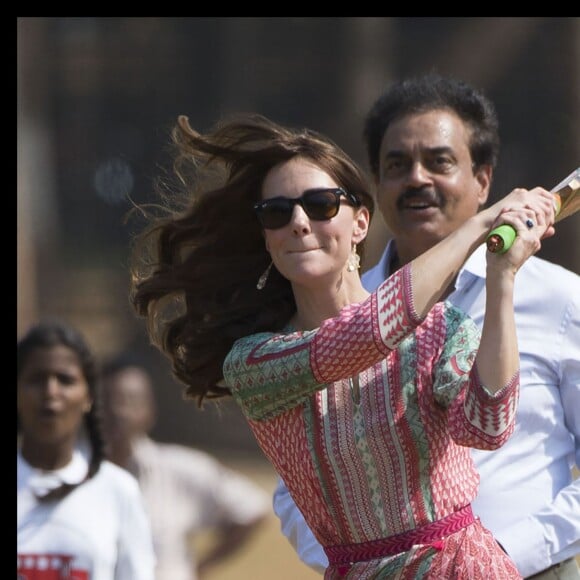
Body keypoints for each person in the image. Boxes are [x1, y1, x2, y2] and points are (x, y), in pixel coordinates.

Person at [128, 110, 555, 578]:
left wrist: (502, 277)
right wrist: (477, 225)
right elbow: (365, 334)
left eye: (321, 204)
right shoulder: (254, 362)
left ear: (360, 223)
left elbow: (487, 427)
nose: (298, 221)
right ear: (266, 238)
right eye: (276, 212)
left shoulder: (437, 327)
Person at [272, 73, 580, 578]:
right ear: (375, 187)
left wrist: (503, 554)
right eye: (397, 165)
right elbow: (293, 486)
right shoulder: (339, 319)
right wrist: (370, 562)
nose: (416, 178)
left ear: (483, 180)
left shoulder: (560, 299)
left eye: (439, 161)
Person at [100, 352, 270, 580]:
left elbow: (252, 509)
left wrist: (201, 567)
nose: (118, 412)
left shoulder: (179, 469)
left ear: (149, 412)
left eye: (129, 401)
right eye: (107, 402)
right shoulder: (72, 475)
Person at [17, 320, 156, 580]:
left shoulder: (118, 490)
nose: (51, 391)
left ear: (89, 396)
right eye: (36, 379)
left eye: (65, 380)